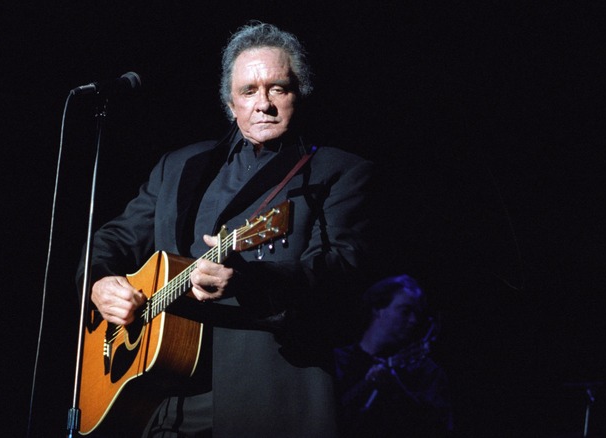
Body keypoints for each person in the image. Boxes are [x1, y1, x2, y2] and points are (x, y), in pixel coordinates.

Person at [79, 22, 373, 437]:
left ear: (299, 94)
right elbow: (112, 240)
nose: (263, 104)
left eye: (278, 88)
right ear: (230, 103)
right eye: (248, 91)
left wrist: (249, 283)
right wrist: (98, 284)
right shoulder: (178, 165)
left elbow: (339, 276)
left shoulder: (338, 171)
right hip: (159, 403)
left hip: (268, 399)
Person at [334, 275, 453, 437]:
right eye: (405, 311)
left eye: (417, 314)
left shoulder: (427, 372)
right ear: (378, 309)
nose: (414, 320)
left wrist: (397, 390)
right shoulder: (337, 360)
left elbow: (439, 428)